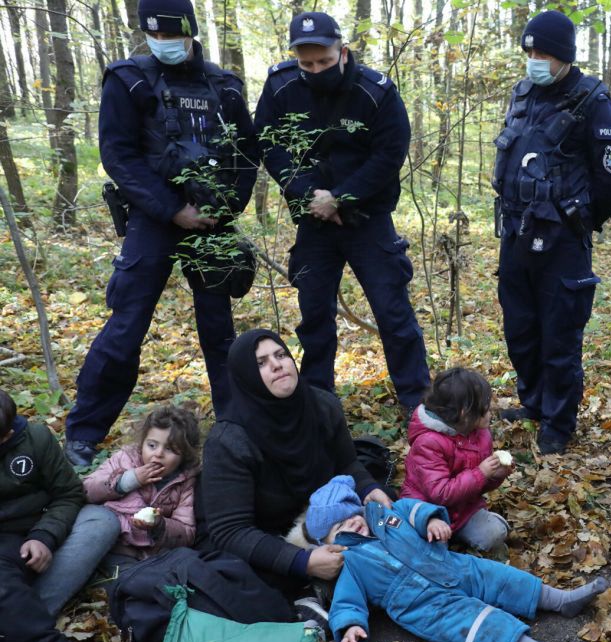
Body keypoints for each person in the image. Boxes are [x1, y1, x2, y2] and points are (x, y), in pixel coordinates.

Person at [63, 0, 257, 467]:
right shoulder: (127, 79)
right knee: (126, 325)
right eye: (158, 35)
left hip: (214, 220)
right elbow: (119, 155)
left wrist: (223, 207)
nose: (166, 44)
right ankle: (84, 434)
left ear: (190, 32)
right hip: (154, 219)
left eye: (174, 35)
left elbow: (246, 153)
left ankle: (234, 431)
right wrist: (172, 210)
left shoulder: (223, 84)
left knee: (220, 330)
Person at [254, 11, 430, 411]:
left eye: (325, 62)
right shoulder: (281, 86)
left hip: (368, 221)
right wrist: (307, 196)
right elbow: (269, 144)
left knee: (393, 314)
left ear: (343, 52)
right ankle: (318, 404)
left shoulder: (376, 92)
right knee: (314, 316)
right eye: (307, 64)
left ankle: (418, 404)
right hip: (313, 223)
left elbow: (389, 155)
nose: (316, 71)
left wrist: (341, 197)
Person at [307, 475, 608, 642]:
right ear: (328, 542)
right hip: (420, 604)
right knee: (474, 625)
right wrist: (349, 627)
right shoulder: (350, 563)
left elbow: (416, 510)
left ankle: (561, 600)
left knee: (500, 577)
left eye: (351, 517)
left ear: (359, 509)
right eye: (339, 528)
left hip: (449, 564)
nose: (351, 526)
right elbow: (347, 599)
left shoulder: (388, 515)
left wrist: (433, 520)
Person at [493, 10, 611, 455]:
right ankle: (532, 403)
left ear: (565, 56)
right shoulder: (523, 93)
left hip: (562, 242)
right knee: (521, 328)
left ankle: (558, 420)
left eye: (544, 52)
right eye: (530, 51)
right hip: (516, 232)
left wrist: (580, 219)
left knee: (560, 335)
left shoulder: (592, 101)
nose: (535, 60)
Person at [195, 328, 394, 623]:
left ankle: (338, 587)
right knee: (236, 576)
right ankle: (313, 594)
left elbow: (347, 463)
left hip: (322, 515)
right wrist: (303, 561)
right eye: (261, 363)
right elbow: (231, 531)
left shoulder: (322, 405)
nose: (277, 365)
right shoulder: (230, 440)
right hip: (264, 534)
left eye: (281, 355)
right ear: (246, 377)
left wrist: (369, 489)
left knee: (392, 512)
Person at [0, 389, 87, 642]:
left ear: (7, 434)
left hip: (18, 535)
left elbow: (70, 493)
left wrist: (44, 536)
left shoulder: (36, 440)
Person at [399, 368, 514, 555]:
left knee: (495, 534)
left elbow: (478, 485)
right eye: (484, 408)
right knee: (430, 551)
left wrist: (495, 476)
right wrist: (481, 473)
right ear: (464, 413)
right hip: (429, 508)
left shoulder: (480, 434)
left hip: (463, 507)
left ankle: (466, 532)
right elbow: (440, 493)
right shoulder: (429, 442)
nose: (490, 411)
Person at [82, 404, 202, 574]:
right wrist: (127, 481)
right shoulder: (125, 459)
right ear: (142, 442)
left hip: (150, 553)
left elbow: (186, 532)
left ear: (185, 455)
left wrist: (160, 525)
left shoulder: (184, 481)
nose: (158, 454)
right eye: (152, 445)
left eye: (169, 449)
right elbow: (87, 489)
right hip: (115, 546)